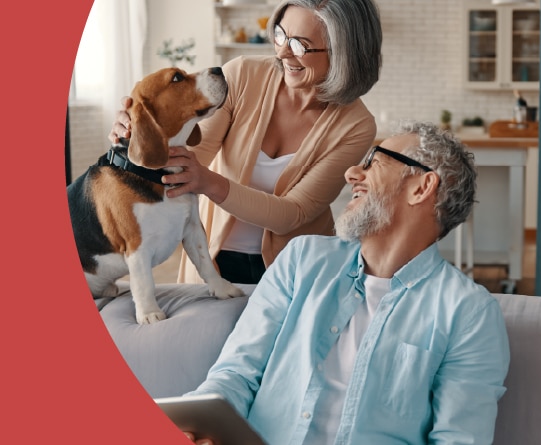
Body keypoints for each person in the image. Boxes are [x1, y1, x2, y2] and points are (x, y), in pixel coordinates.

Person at [182, 121, 511, 445]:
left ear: (422, 187)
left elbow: (458, 438)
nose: (353, 173)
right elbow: (236, 373)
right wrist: (200, 428)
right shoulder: (302, 259)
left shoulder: (469, 311)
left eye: (374, 162)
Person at [108, 0, 382, 284]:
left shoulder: (357, 126)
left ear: (344, 53)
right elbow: (189, 158)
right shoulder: (241, 75)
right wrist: (138, 133)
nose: (283, 52)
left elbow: (294, 213)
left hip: (296, 270)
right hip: (213, 258)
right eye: (280, 35)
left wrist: (210, 183)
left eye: (300, 44)